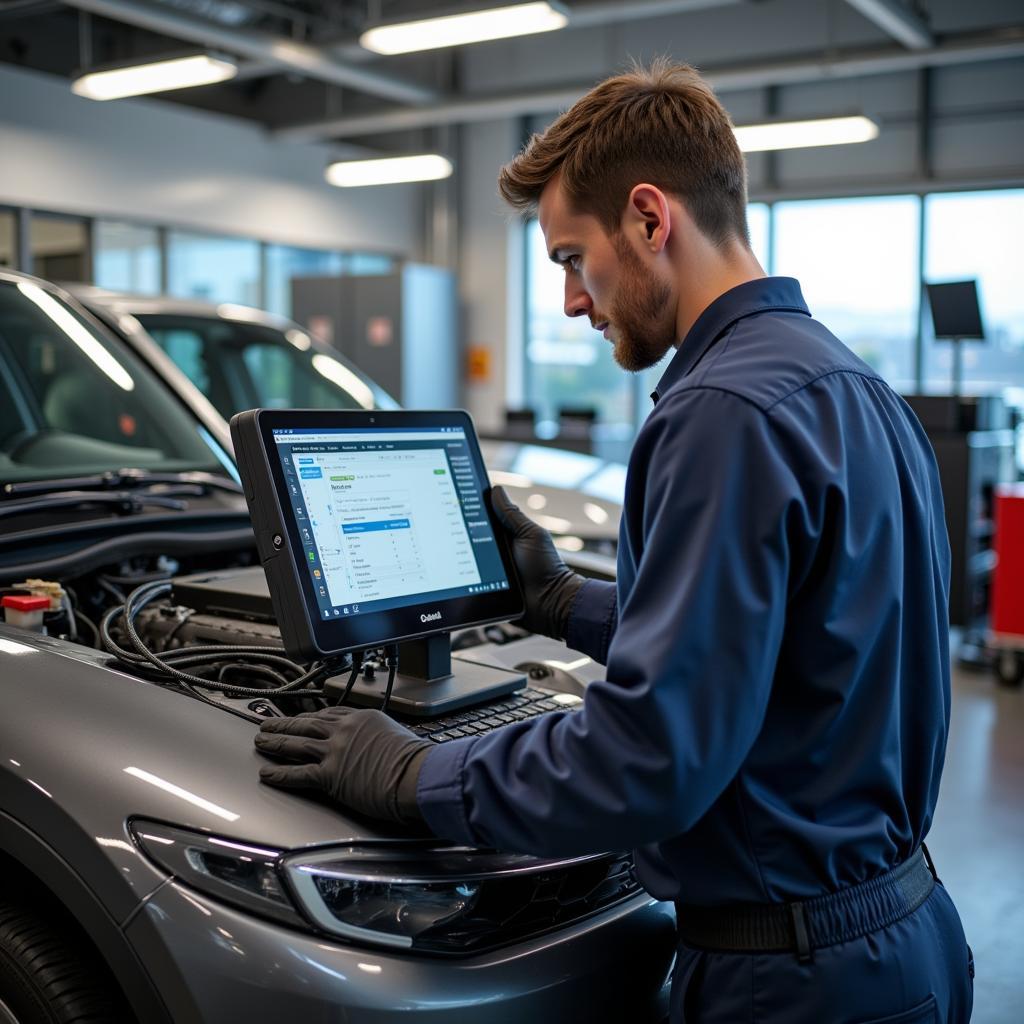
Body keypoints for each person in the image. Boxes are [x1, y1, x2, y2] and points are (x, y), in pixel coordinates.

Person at [254, 60, 974, 1021]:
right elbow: (796, 647)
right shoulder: (852, 388)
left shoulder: (720, 412)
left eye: (568, 258)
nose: (571, 301)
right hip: (904, 936)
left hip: (792, 981)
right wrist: (565, 604)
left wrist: (412, 772)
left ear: (648, 218)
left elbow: (651, 759)